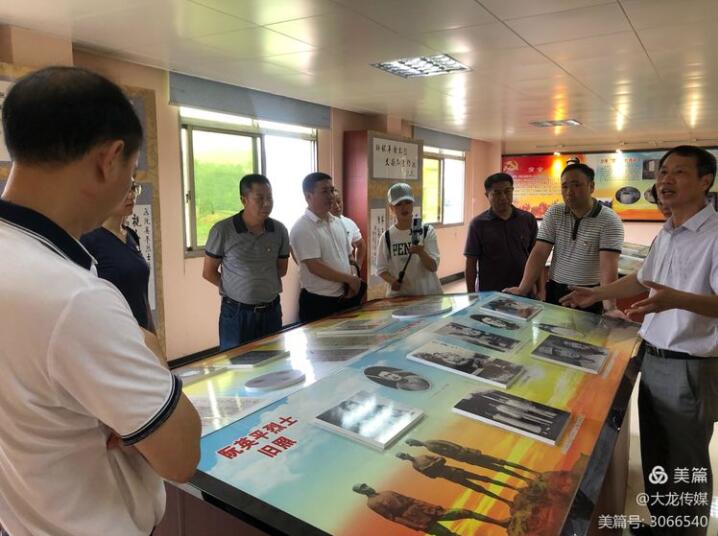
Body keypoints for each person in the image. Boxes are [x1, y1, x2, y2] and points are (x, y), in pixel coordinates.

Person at [0, 66, 200, 536]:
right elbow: (181, 455)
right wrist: (148, 351)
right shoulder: (73, 299)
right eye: (132, 170)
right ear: (109, 159)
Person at [561, 145, 718, 536]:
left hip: (690, 366)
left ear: (705, 181)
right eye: (662, 172)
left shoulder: (715, 235)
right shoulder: (669, 232)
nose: (665, 180)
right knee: (658, 456)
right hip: (653, 357)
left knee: (686, 465)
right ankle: (664, 527)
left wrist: (676, 300)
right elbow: (643, 279)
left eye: (678, 172)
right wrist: (597, 294)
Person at [504, 162, 624, 314]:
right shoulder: (555, 213)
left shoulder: (609, 220)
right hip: (556, 289)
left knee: (585, 329)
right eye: (564, 186)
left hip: (589, 293)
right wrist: (523, 289)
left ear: (591, 187)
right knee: (549, 327)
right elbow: (540, 252)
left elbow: (608, 265)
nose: (569, 192)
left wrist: (610, 307)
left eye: (576, 185)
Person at [203, 174, 290, 350]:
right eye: (260, 198)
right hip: (237, 314)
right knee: (237, 363)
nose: (267, 203)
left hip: (271, 312)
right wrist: (236, 289)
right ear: (244, 200)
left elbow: (281, 270)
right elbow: (208, 272)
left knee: (273, 361)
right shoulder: (222, 230)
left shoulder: (279, 230)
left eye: (270, 198)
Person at [80, 179, 155, 332]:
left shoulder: (132, 236)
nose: (131, 195)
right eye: (124, 189)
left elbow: (142, 293)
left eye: (133, 188)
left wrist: (152, 332)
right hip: (112, 332)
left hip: (141, 331)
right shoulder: (89, 239)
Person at [290, 172, 365, 323]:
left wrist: (353, 277)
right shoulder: (303, 227)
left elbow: (349, 256)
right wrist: (349, 279)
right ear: (308, 196)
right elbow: (315, 266)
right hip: (319, 301)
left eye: (331, 190)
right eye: (324, 191)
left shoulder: (338, 222)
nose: (330, 196)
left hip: (345, 296)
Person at [464, 172, 538, 292]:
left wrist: (540, 289)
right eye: (497, 193)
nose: (503, 197)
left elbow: (536, 256)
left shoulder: (527, 219)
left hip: (523, 289)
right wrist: (471, 296)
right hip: (491, 292)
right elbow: (471, 263)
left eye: (507, 191)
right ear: (487, 195)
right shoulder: (478, 224)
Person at [352, 483, 509, 536]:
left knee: (465, 512)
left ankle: (500, 522)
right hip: (418, 520)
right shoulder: (372, 504)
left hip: (428, 510)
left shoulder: (387, 492)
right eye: (363, 488)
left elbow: (411, 499)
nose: (367, 487)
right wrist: (416, 526)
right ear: (360, 492)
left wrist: (432, 507)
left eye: (365, 485)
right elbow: (393, 518)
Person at [376, 183, 442, 297]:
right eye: (398, 204)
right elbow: (381, 269)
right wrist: (392, 281)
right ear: (391, 208)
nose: (404, 207)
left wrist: (421, 252)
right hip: (400, 298)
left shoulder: (426, 231)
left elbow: (433, 267)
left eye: (407, 202)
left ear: (412, 204)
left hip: (427, 296)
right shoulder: (386, 237)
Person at [395, 453, 516, 505]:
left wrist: (432, 466)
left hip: (454, 470)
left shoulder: (422, 456)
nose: (405, 456)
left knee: (484, 478)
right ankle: (506, 501)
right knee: (478, 488)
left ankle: (514, 488)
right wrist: (431, 469)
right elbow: (431, 476)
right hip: (450, 476)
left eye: (404, 454)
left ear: (406, 453)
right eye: (402, 457)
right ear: (403, 459)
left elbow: (441, 459)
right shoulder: (415, 466)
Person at [405, 438, 537, 482]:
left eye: (411, 443)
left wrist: (463, 451)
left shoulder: (430, 443)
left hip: (466, 453)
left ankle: (531, 471)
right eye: (411, 445)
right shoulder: (428, 448)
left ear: (414, 440)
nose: (413, 445)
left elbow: (450, 444)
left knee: (500, 461)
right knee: (497, 468)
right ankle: (524, 478)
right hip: (463, 458)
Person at [330, 189, 366, 268]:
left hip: (347, 271)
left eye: (339, 202)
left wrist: (357, 267)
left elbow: (361, 245)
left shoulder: (349, 223)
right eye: (332, 203)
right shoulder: (322, 225)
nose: (337, 206)